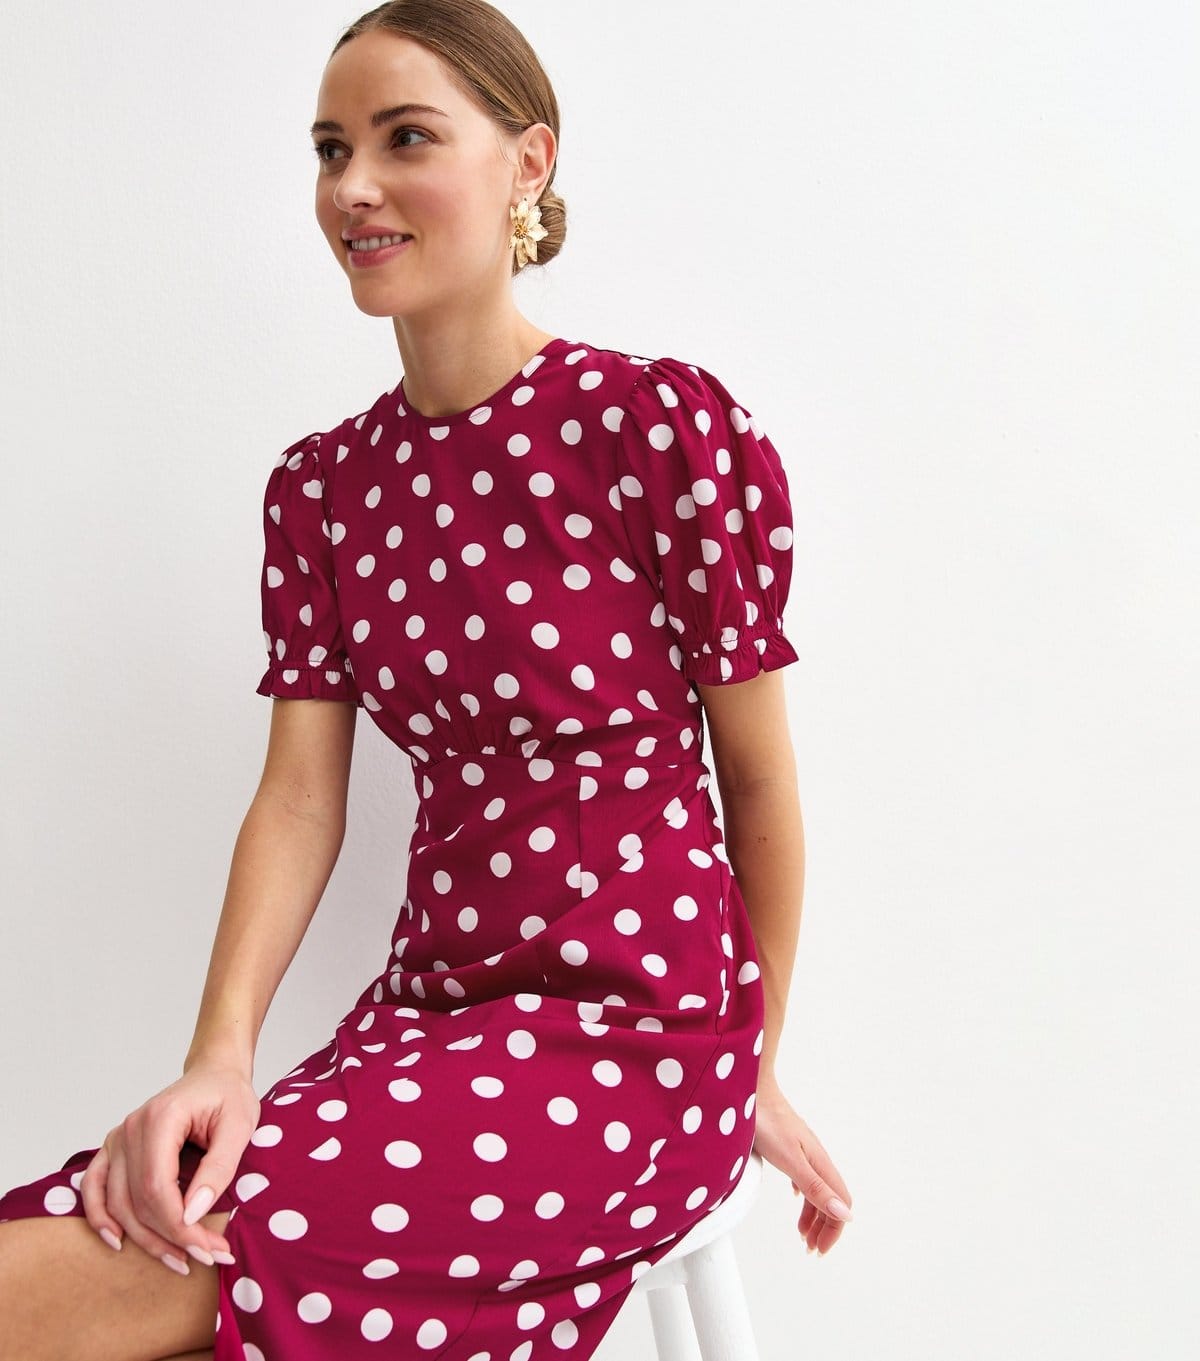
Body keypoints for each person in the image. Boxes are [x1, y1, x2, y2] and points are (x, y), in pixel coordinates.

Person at [0, 2, 853, 1357]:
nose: (353, 186)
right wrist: (220, 1056)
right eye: (331, 148)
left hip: (645, 1038)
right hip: (425, 1019)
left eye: (405, 139)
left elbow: (759, 782)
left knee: (146, 1266)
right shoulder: (323, 491)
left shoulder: (656, 431)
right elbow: (298, 802)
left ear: (529, 163)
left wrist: (750, 1058)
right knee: (114, 1226)